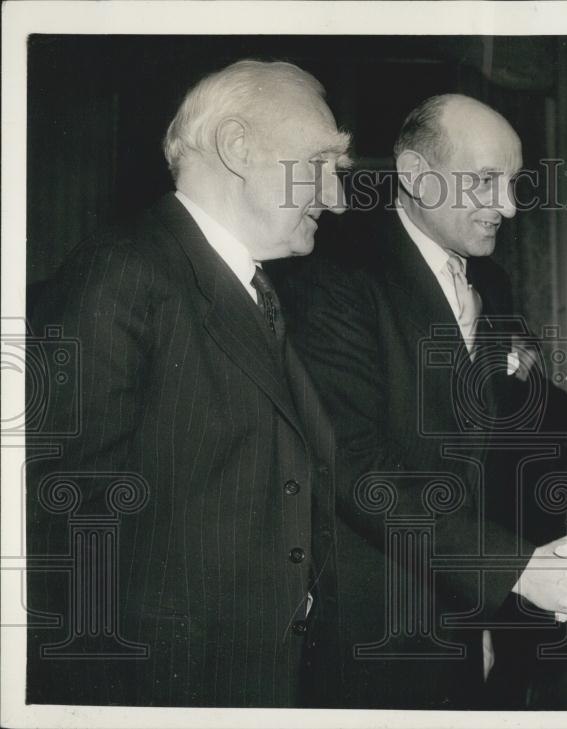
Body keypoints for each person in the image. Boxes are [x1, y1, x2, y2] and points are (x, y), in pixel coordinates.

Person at [26, 59, 351, 707]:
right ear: (236, 146)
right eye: (320, 163)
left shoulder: (250, 290)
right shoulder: (124, 272)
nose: (338, 198)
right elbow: (64, 528)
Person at [284, 93, 567, 708]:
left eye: (514, 182)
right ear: (414, 174)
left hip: (462, 621)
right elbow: (356, 467)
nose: (509, 205)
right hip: (370, 631)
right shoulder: (336, 274)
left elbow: (485, 457)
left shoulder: (488, 281)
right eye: (485, 180)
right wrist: (515, 572)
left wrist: (488, 615)